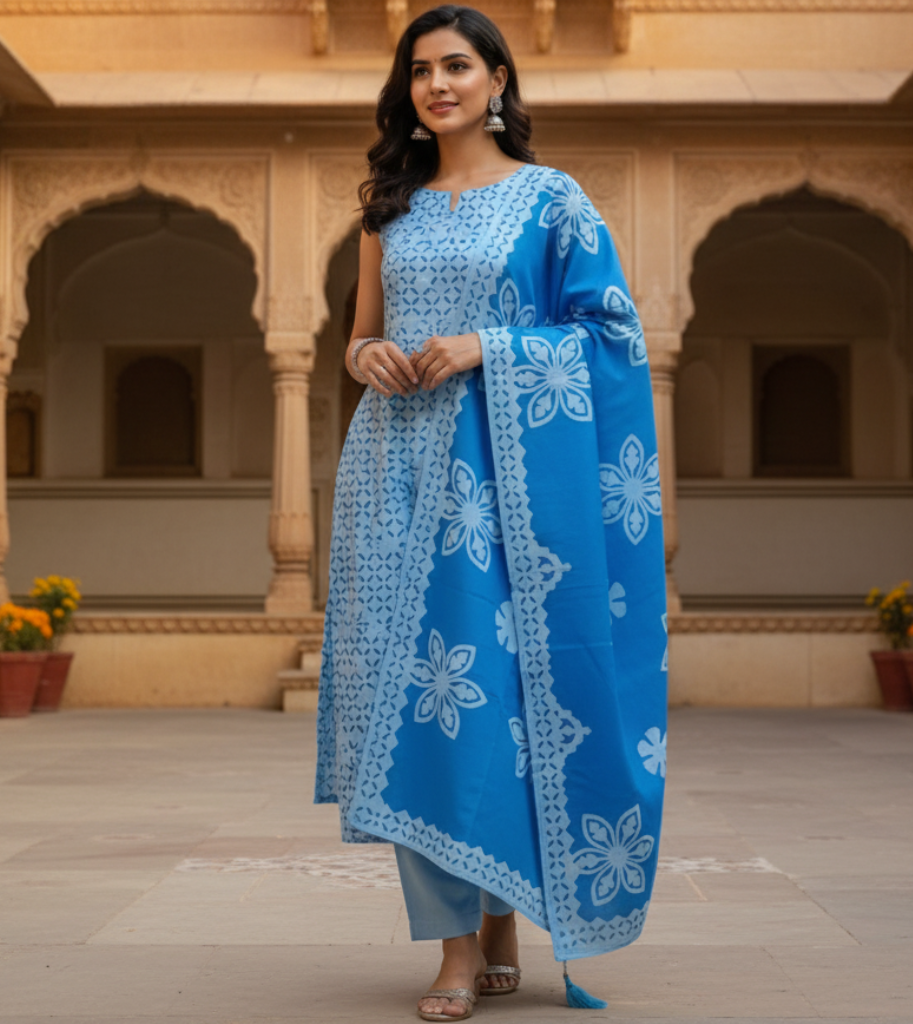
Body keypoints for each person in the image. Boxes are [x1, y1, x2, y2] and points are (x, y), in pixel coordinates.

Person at [315, 6, 668, 1020]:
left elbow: (612, 334)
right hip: (394, 470)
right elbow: (360, 337)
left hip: (507, 491)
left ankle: (502, 923)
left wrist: (487, 347)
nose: (437, 85)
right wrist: (364, 358)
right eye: (420, 70)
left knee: (493, 710)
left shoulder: (552, 201)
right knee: (417, 704)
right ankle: (456, 952)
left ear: (499, 80)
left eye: (458, 66)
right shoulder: (391, 206)